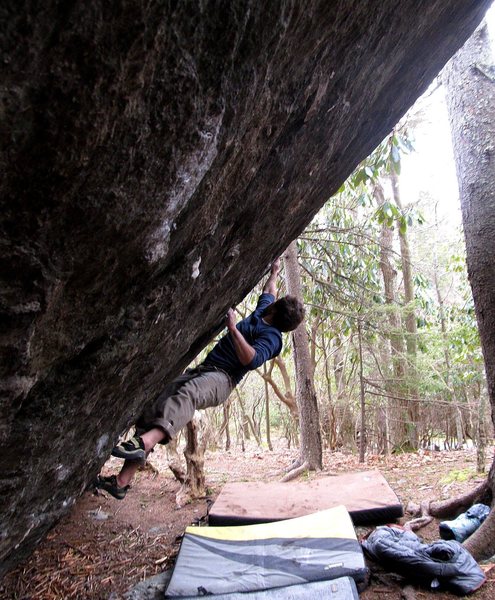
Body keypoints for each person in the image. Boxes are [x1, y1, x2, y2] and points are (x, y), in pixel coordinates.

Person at [95, 258, 304, 499]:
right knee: (155, 404)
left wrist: (233, 329)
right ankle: (121, 482)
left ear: (277, 311)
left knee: (189, 394)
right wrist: (275, 271)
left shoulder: (272, 338)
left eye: (275, 302)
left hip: (222, 379)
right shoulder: (263, 312)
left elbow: (252, 359)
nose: (272, 299)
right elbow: (270, 290)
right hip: (206, 369)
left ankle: (145, 443)